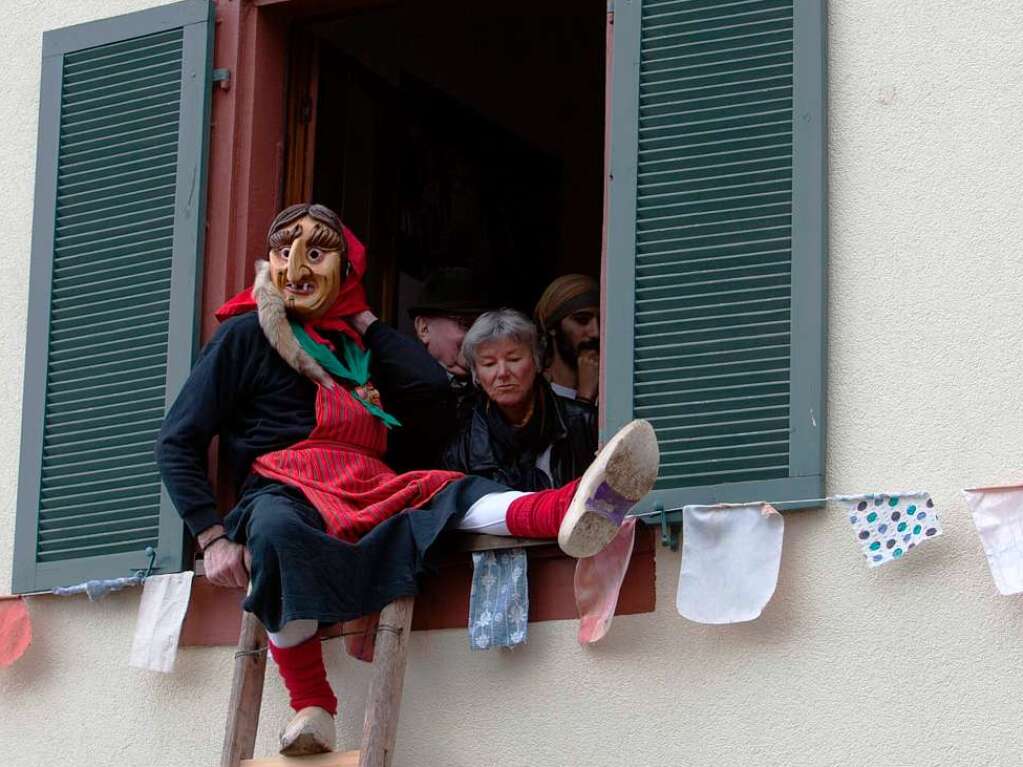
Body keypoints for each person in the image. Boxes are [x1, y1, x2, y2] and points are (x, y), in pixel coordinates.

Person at [155, 203, 659, 757]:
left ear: (345, 275)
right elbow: (177, 441)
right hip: (285, 489)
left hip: (370, 485)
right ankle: (313, 706)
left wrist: (364, 319)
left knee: (452, 488)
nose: (296, 265)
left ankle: (565, 508)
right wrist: (211, 536)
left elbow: (432, 388)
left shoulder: (354, 346)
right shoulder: (245, 335)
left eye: (318, 253)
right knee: (273, 534)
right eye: (284, 251)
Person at [442, 309, 597, 491]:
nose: (503, 373)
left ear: (537, 361)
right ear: (476, 376)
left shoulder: (585, 424)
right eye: (489, 364)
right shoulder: (462, 451)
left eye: (514, 359)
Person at [534, 274, 600, 403]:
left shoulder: (616, 388)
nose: (595, 333)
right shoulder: (535, 393)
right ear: (553, 327)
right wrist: (585, 396)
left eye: (601, 322)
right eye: (582, 320)